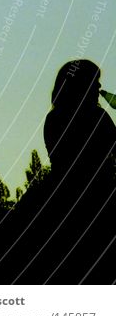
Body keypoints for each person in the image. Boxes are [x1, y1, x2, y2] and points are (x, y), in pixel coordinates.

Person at [44, 59, 116, 207]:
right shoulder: (97, 116)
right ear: (80, 85)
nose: (99, 86)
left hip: (60, 194)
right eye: (94, 80)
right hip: (99, 194)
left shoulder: (53, 118)